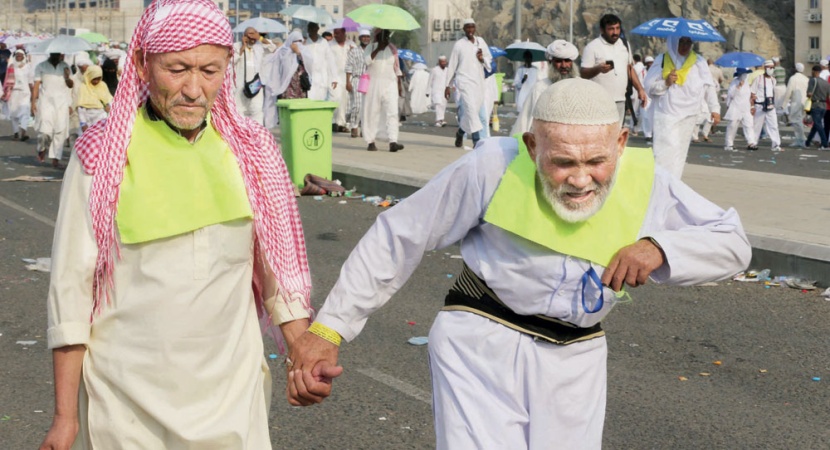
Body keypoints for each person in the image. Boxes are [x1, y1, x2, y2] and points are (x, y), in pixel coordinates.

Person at [284, 78, 751, 449]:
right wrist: (330, 330)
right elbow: (401, 234)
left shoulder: (647, 183)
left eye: (596, 160)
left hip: (578, 357)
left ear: (621, 142)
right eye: (562, 162)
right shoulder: (493, 165)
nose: (581, 179)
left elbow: (733, 243)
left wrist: (660, 248)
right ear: (531, 146)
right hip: (481, 344)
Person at [39, 0, 313, 448]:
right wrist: (64, 416)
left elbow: (277, 276)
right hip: (126, 403)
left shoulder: (252, 152)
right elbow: (71, 291)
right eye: (178, 68)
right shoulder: (102, 155)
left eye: (209, 71)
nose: (192, 88)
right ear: (145, 66)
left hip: (231, 399)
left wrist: (302, 353)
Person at [643, 36, 720, 178]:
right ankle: (659, 188)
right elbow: (649, 87)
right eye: (681, 42)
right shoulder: (663, 59)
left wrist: (715, 109)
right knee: (663, 154)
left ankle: (673, 187)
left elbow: (708, 87)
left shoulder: (699, 62)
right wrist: (665, 83)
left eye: (688, 42)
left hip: (689, 114)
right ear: (673, 42)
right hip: (667, 113)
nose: (685, 46)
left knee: (679, 155)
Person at [580, 14, 647, 123]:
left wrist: (640, 89)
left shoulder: (625, 45)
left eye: (617, 28)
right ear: (602, 30)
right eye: (611, 29)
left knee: (616, 136)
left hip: (621, 100)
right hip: (599, 102)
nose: (615, 32)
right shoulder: (592, 47)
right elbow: (583, 73)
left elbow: (629, 69)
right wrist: (598, 69)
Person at [511, 39, 579, 134]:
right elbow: (525, 121)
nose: (564, 65)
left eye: (567, 61)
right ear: (551, 63)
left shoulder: (580, 86)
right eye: (559, 61)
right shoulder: (540, 88)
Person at [445, 18, 492, 148]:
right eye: (467, 27)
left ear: (475, 28)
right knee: (470, 109)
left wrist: (482, 59)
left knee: (472, 112)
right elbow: (452, 65)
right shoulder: (459, 45)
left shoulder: (480, 42)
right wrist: (447, 86)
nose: (470, 30)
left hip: (478, 82)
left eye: (472, 27)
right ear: (464, 29)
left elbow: (489, 59)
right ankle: (476, 141)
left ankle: (460, 133)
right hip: (464, 81)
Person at [362, 28, 404, 152]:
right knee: (372, 112)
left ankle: (393, 141)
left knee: (392, 112)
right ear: (377, 36)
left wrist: (399, 85)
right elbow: (367, 61)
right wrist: (378, 49)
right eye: (382, 36)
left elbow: (396, 68)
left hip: (390, 83)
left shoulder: (392, 49)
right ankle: (370, 141)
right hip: (373, 84)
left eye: (387, 36)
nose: (385, 39)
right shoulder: (371, 47)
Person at [261, 30, 313, 128]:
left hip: (300, 86)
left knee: (300, 107)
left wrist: (298, 53)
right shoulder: (283, 51)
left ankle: (299, 126)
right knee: (288, 107)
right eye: (295, 41)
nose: (298, 43)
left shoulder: (304, 51)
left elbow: (309, 64)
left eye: (300, 41)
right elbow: (277, 68)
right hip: (286, 86)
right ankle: (287, 127)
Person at [32, 52, 74, 168]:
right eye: (54, 55)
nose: (56, 57)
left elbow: (71, 85)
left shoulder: (65, 66)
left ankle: (56, 159)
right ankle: (42, 149)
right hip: (45, 102)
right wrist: (33, 103)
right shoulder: (41, 66)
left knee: (60, 132)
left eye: (58, 55)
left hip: (62, 103)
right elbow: (36, 85)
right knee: (44, 132)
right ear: (50, 54)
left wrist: (67, 77)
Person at [233, 26, 277, 124]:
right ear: (244, 36)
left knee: (257, 111)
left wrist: (260, 38)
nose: (252, 40)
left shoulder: (259, 46)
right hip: (240, 86)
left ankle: (257, 135)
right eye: (250, 37)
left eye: (254, 37)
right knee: (239, 111)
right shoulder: (236, 46)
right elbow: (231, 62)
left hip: (256, 85)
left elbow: (273, 48)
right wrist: (242, 49)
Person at [330, 26, 356, 132]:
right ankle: (333, 122)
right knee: (334, 99)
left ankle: (342, 123)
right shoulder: (330, 45)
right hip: (334, 77)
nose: (336, 35)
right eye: (334, 33)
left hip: (347, 77)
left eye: (338, 33)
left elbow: (356, 59)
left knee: (345, 101)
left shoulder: (351, 45)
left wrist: (352, 52)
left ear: (344, 32)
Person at [750, 60, 781, 152]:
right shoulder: (758, 79)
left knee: (773, 125)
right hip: (759, 106)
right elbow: (752, 92)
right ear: (765, 68)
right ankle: (753, 143)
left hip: (770, 105)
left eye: (773, 68)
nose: (771, 69)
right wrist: (752, 106)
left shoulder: (773, 80)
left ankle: (776, 144)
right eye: (770, 67)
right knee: (756, 126)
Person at [723, 68, 756, 152]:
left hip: (746, 108)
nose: (745, 75)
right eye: (744, 74)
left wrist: (752, 105)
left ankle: (751, 143)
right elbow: (731, 95)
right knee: (732, 126)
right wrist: (738, 87)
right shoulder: (734, 83)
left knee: (749, 125)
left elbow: (749, 95)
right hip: (735, 107)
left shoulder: (747, 84)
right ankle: (729, 144)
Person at [2, 49, 32, 141]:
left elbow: (30, 81)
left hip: (25, 93)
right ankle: (16, 133)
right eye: (17, 55)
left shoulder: (28, 67)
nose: (19, 56)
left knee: (25, 112)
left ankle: (23, 133)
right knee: (14, 113)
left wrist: (34, 95)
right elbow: (6, 80)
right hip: (14, 93)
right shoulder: (11, 67)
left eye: (21, 55)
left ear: (24, 56)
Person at [345, 29, 371, 138]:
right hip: (357, 79)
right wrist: (348, 82)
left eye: (367, 37)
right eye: (363, 37)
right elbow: (348, 67)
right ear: (360, 38)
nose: (365, 39)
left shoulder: (372, 51)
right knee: (357, 105)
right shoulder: (354, 51)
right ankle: (354, 126)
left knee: (368, 105)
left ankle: (364, 128)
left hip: (369, 80)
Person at [73, 65, 113, 132]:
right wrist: (83, 123)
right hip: (89, 119)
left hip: (103, 118)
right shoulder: (83, 87)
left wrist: (109, 105)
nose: (96, 81)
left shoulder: (103, 85)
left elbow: (109, 99)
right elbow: (81, 108)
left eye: (98, 78)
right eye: (94, 79)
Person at [305, 22, 338, 101]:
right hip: (308, 78)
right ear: (308, 30)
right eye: (311, 28)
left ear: (318, 29)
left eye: (314, 28)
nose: (313, 30)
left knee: (321, 100)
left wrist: (334, 78)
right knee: (309, 101)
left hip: (322, 78)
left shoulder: (323, 42)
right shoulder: (305, 43)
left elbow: (330, 60)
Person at [781, 62, 809, 148]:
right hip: (805, 103)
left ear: (795, 69)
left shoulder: (793, 78)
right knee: (799, 121)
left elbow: (789, 91)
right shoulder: (806, 78)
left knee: (796, 121)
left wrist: (784, 103)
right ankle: (801, 138)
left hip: (796, 102)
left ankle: (800, 140)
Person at [804, 65, 830, 150]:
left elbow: (809, 94)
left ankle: (825, 144)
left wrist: (809, 95)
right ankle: (807, 142)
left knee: (818, 125)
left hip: (816, 105)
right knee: (816, 125)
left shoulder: (813, 80)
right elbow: (828, 96)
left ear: (815, 71)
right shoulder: (826, 83)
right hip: (824, 106)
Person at [427, 55, 448, 127]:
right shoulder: (434, 70)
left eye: (445, 62)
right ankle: (439, 120)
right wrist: (427, 91)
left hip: (444, 91)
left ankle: (441, 120)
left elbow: (449, 80)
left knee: (443, 105)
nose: (444, 63)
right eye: (442, 62)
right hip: (436, 91)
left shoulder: (447, 70)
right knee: (438, 104)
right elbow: (430, 81)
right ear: (439, 62)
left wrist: (451, 87)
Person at [641, 55, 655, 141]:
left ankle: (654, 132)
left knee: (654, 115)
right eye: (648, 63)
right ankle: (648, 134)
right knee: (645, 116)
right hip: (644, 94)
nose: (650, 64)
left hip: (654, 95)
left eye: (651, 62)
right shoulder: (642, 71)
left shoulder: (657, 70)